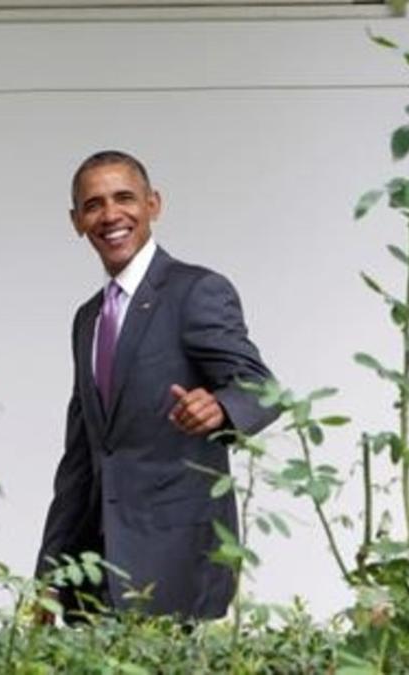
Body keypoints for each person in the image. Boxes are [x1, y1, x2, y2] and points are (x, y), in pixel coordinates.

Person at [34, 150, 279, 621]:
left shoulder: (195, 290)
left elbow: (261, 389)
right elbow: (82, 458)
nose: (110, 215)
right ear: (76, 221)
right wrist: (50, 573)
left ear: (153, 205)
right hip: (96, 572)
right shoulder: (88, 318)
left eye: (124, 198)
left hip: (175, 565)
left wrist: (221, 406)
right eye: (93, 205)